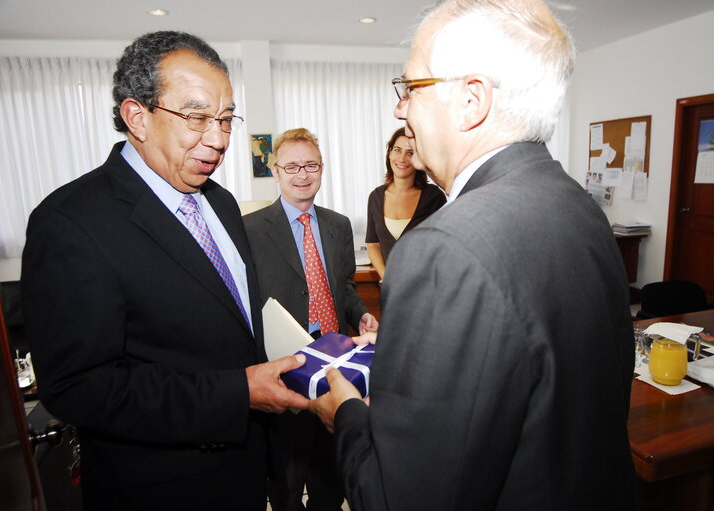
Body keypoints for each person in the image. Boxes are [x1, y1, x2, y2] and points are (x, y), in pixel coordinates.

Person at [308, 0, 637, 509]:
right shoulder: (578, 205)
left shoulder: (443, 249)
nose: (400, 109)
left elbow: (399, 498)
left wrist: (348, 415)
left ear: (471, 99)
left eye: (411, 88)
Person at [22, 31, 308, 510]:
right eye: (196, 117)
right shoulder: (70, 221)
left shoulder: (219, 201)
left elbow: (228, 323)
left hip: (248, 466)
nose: (217, 140)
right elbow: (79, 387)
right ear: (137, 117)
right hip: (162, 486)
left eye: (224, 119)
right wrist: (235, 394)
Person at [243, 128, 378, 511]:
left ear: (322, 169)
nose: (302, 174)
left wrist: (363, 314)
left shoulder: (337, 225)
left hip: (336, 369)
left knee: (330, 480)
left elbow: (345, 287)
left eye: (311, 165)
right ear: (276, 171)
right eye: (292, 166)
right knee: (286, 482)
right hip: (285, 371)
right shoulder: (250, 229)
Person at [365, 127, 446, 281]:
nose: (402, 159)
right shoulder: (375, 197)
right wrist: (387, 279)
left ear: (419, 157)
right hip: (391, 291)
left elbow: (442, 247)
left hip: (426, 287)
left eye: (410, 153)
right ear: (389, 153)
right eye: (397, 150)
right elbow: (373, 244)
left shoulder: (433, 197)